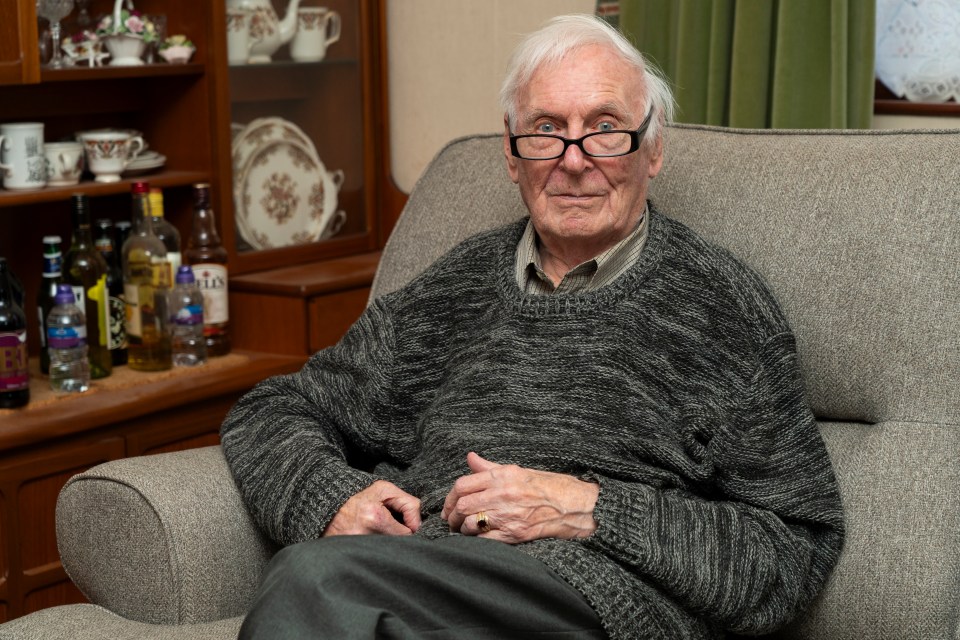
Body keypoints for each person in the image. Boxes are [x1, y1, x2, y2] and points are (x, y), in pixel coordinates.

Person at [221, 13, 845, 640]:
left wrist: (586, 508)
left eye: (605, 130)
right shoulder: (452, 290)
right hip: (425, 580)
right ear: (511, 152)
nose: (574, 162)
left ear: (653, 150)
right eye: (547, 130)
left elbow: (795, 548)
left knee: (313, 582)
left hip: (596, 604)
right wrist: (330, 497)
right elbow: (275, 409)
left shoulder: (722, 309)